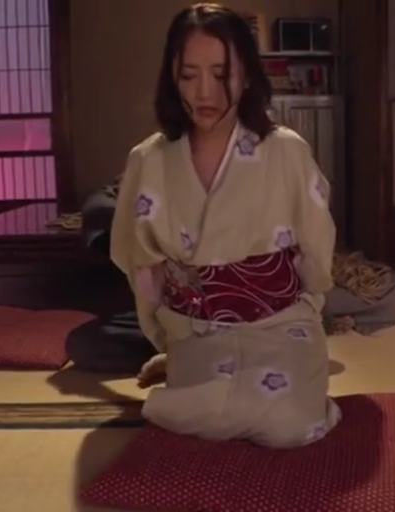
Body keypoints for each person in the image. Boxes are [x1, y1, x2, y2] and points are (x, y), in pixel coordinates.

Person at [110, 3, 340, 449]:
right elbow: (140, 262)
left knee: (290, 425)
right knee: (212, 411)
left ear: (247, 75)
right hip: (195, 328)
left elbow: (316, 247)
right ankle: (179, 368)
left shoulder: (286, 150)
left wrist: (309, 304)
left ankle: (202, 383)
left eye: (222, 74)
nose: (204, 92)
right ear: (172, 77)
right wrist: (166, 333)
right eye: (188, 74)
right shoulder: (148, 159)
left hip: (279, 321)